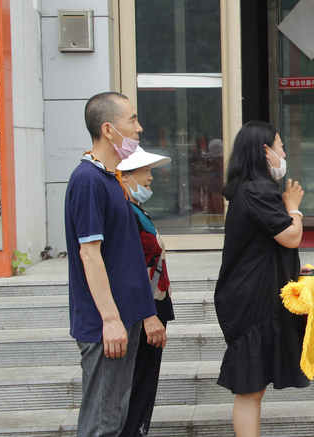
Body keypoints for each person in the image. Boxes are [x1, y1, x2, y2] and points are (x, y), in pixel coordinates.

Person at [65, 92, 166, 437]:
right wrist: (110, 319)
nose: (139, 128)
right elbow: (90, 254)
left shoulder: (110, 179)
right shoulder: (88, 180)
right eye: (132, 120)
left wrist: (144, 313)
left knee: (115, 417)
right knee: (102, 423)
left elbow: (126, 255)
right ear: (108, 129)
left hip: (126, 319)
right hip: (105, 325)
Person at [215, 121, 310, 437]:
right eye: (281, 146)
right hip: (251, 303)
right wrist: (294, 209)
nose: (284, 154)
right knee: (250, 388)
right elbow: (290, 237)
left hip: (255, 297)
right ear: (265, 151)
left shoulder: (251, 190)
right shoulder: (257, 191)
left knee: (254, 386)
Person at [116, 147, 174, 437]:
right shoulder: (125, 213)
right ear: (125, 177)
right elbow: (133, 266)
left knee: (144, 383)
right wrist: (149, 316)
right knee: (137, 383)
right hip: (142, 310)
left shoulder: (136, 210)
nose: (150, 177)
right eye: (145, 171)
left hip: (153, 305)